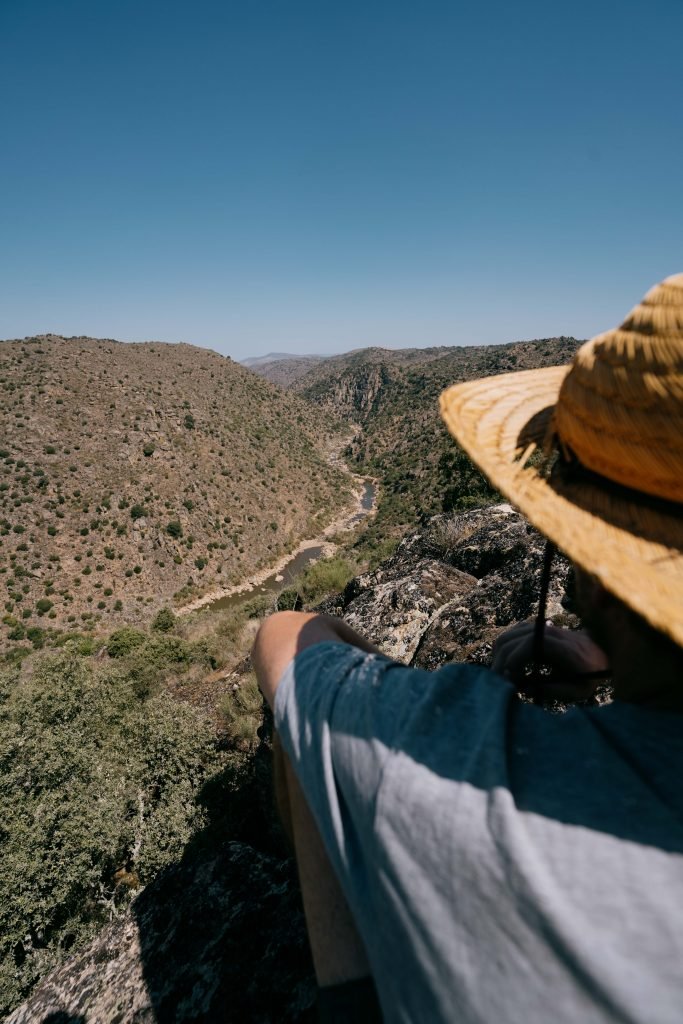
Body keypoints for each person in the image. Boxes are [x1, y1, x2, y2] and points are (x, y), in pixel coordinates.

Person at [253, 274, 683, 1023]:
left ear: (601, 569)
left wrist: (612, 642)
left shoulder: (481, 778)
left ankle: (352, 1000)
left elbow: (285, 636)